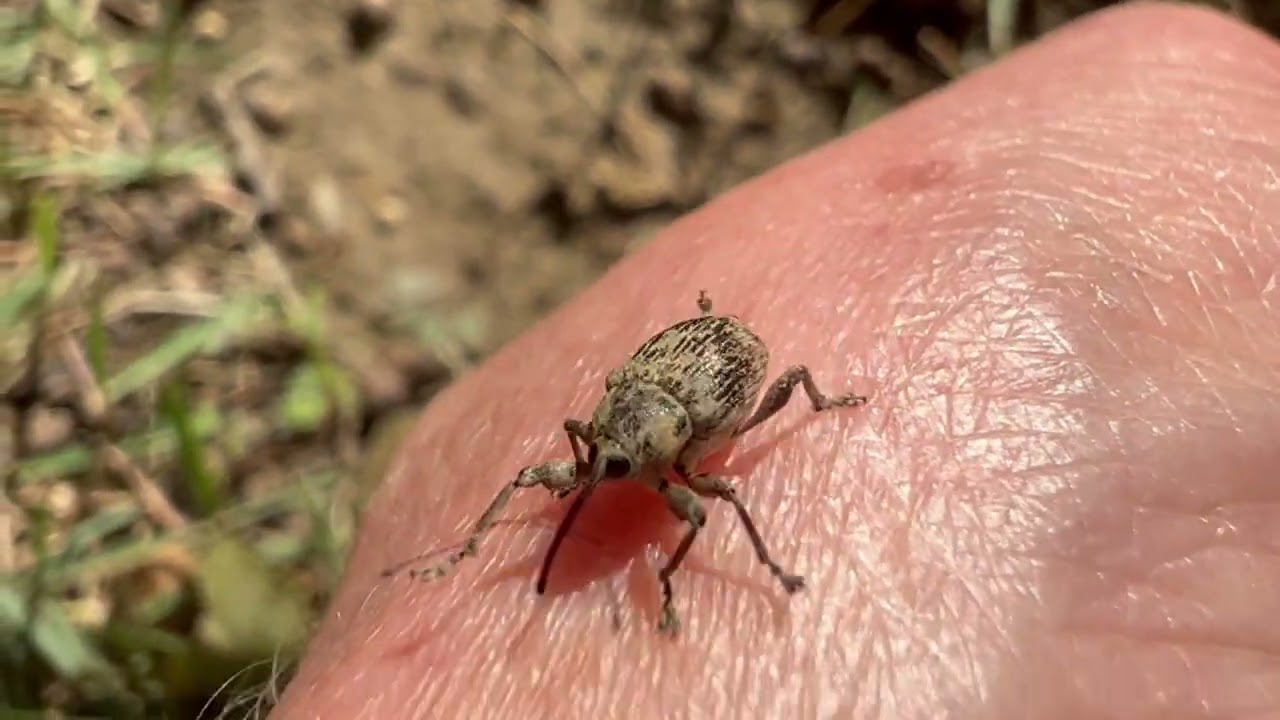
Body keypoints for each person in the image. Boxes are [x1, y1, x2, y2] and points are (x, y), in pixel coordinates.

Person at [273, 4, 1280, 717]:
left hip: (714, 369)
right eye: (602, 469)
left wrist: (708, 576)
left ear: (666, 448)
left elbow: (731, 500)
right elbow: (594, 447)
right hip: (658, 384)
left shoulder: (688, 465)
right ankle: (462, 552)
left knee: (731, 501)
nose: (594, 485)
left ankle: (774, 478)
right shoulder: (613, 438)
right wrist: (510, 525)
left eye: (614, 471)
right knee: (549, 474)